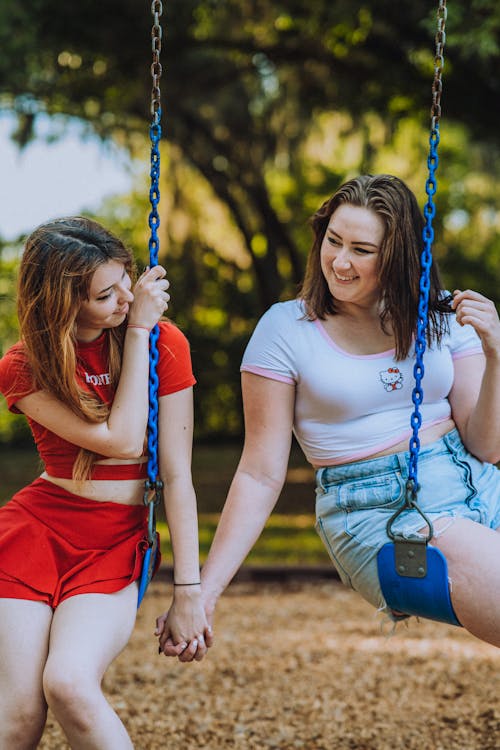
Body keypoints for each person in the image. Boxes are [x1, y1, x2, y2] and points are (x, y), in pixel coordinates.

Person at [159, 173, 500, 658]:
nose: (339, 262)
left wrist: (496, 353)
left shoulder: (443, 318)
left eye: (361, 250)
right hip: (378, 511)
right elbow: (259, 473)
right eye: (333, 241)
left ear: (400, 257)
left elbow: (487, 446)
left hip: (477, 481)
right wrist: (202, 594)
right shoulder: (287, 329)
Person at [0, 217, 212, 750]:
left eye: (127, 280)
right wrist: (138, 330)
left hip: (114, 541)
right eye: (105, 294)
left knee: (69, 683)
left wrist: (190, 592)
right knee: (19, 713)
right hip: (32, 535)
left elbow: (178, 476)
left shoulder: (165, 343)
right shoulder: (23, 365)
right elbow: (117, 441)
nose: (128, 299)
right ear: (62, 304)